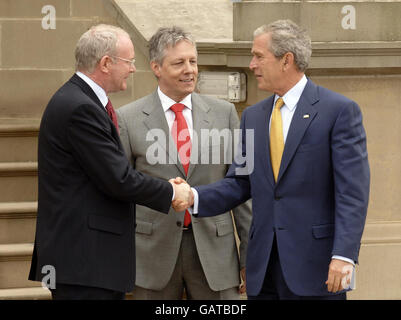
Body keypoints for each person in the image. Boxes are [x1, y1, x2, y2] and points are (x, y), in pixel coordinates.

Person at [175, 19, 370, 300]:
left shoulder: (338, 111)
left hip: (317, 269)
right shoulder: (253, 117)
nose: (252, 65)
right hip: (262, 269)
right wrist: (193, 196)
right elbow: (240, 182)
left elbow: (353, 193)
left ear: (286, 60)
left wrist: (344, 255)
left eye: (258, 56)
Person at [28, 24, 191, 300]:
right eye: (128, 62)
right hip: (84, 262)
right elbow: (118, 179)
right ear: (106, 63)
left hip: (89, 262)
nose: (133, 69)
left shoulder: (82, 100)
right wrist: (172, 192)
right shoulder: (80, 108)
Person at [116, 26, 252, 300]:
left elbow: (243, 190)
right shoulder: (127, 119)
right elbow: (122, 189)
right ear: (156, 67)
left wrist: (250, 256)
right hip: (151, 255)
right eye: (179, 63)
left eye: (193, 61)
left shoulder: (224, 113)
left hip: (216, 254)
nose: (189, 69)